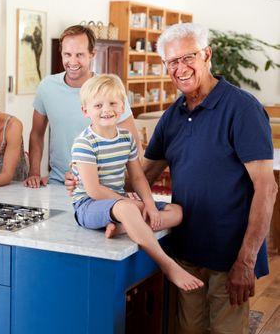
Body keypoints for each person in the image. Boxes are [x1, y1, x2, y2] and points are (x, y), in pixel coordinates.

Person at [67, 23, 277, 334]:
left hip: (229, 255)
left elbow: (267, 189)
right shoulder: (174, 115)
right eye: (171, 62)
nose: (180, 68)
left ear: (206, 55)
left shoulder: (242, 109)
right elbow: (142, 174)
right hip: (186, 251)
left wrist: (246, 261)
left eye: (188, 57)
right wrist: (86, 176)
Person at [70, 74, 202, 291]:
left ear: (122, 106)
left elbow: (138, 177)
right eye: (98, 105)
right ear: (86, 111)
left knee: (177, 211)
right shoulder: (85, 143)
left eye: (113, 103)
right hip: (88, 205)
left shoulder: (126, 139)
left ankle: (122, 228)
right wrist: (132, 204)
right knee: (128, 208)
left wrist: (149, 204)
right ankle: (167, 264)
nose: (107, 109)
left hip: (119, 204)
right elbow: (93, 190)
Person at [24, 24, 141, 188]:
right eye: (67, 54)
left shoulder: (108, 90)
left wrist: (131, 186)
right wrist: (34, 172)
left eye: (79, 55)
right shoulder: (47, 87)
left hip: (103, 186)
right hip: (59, 182)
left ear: (92, 54)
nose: (72, 61)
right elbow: (36, 134)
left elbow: (132, 142)